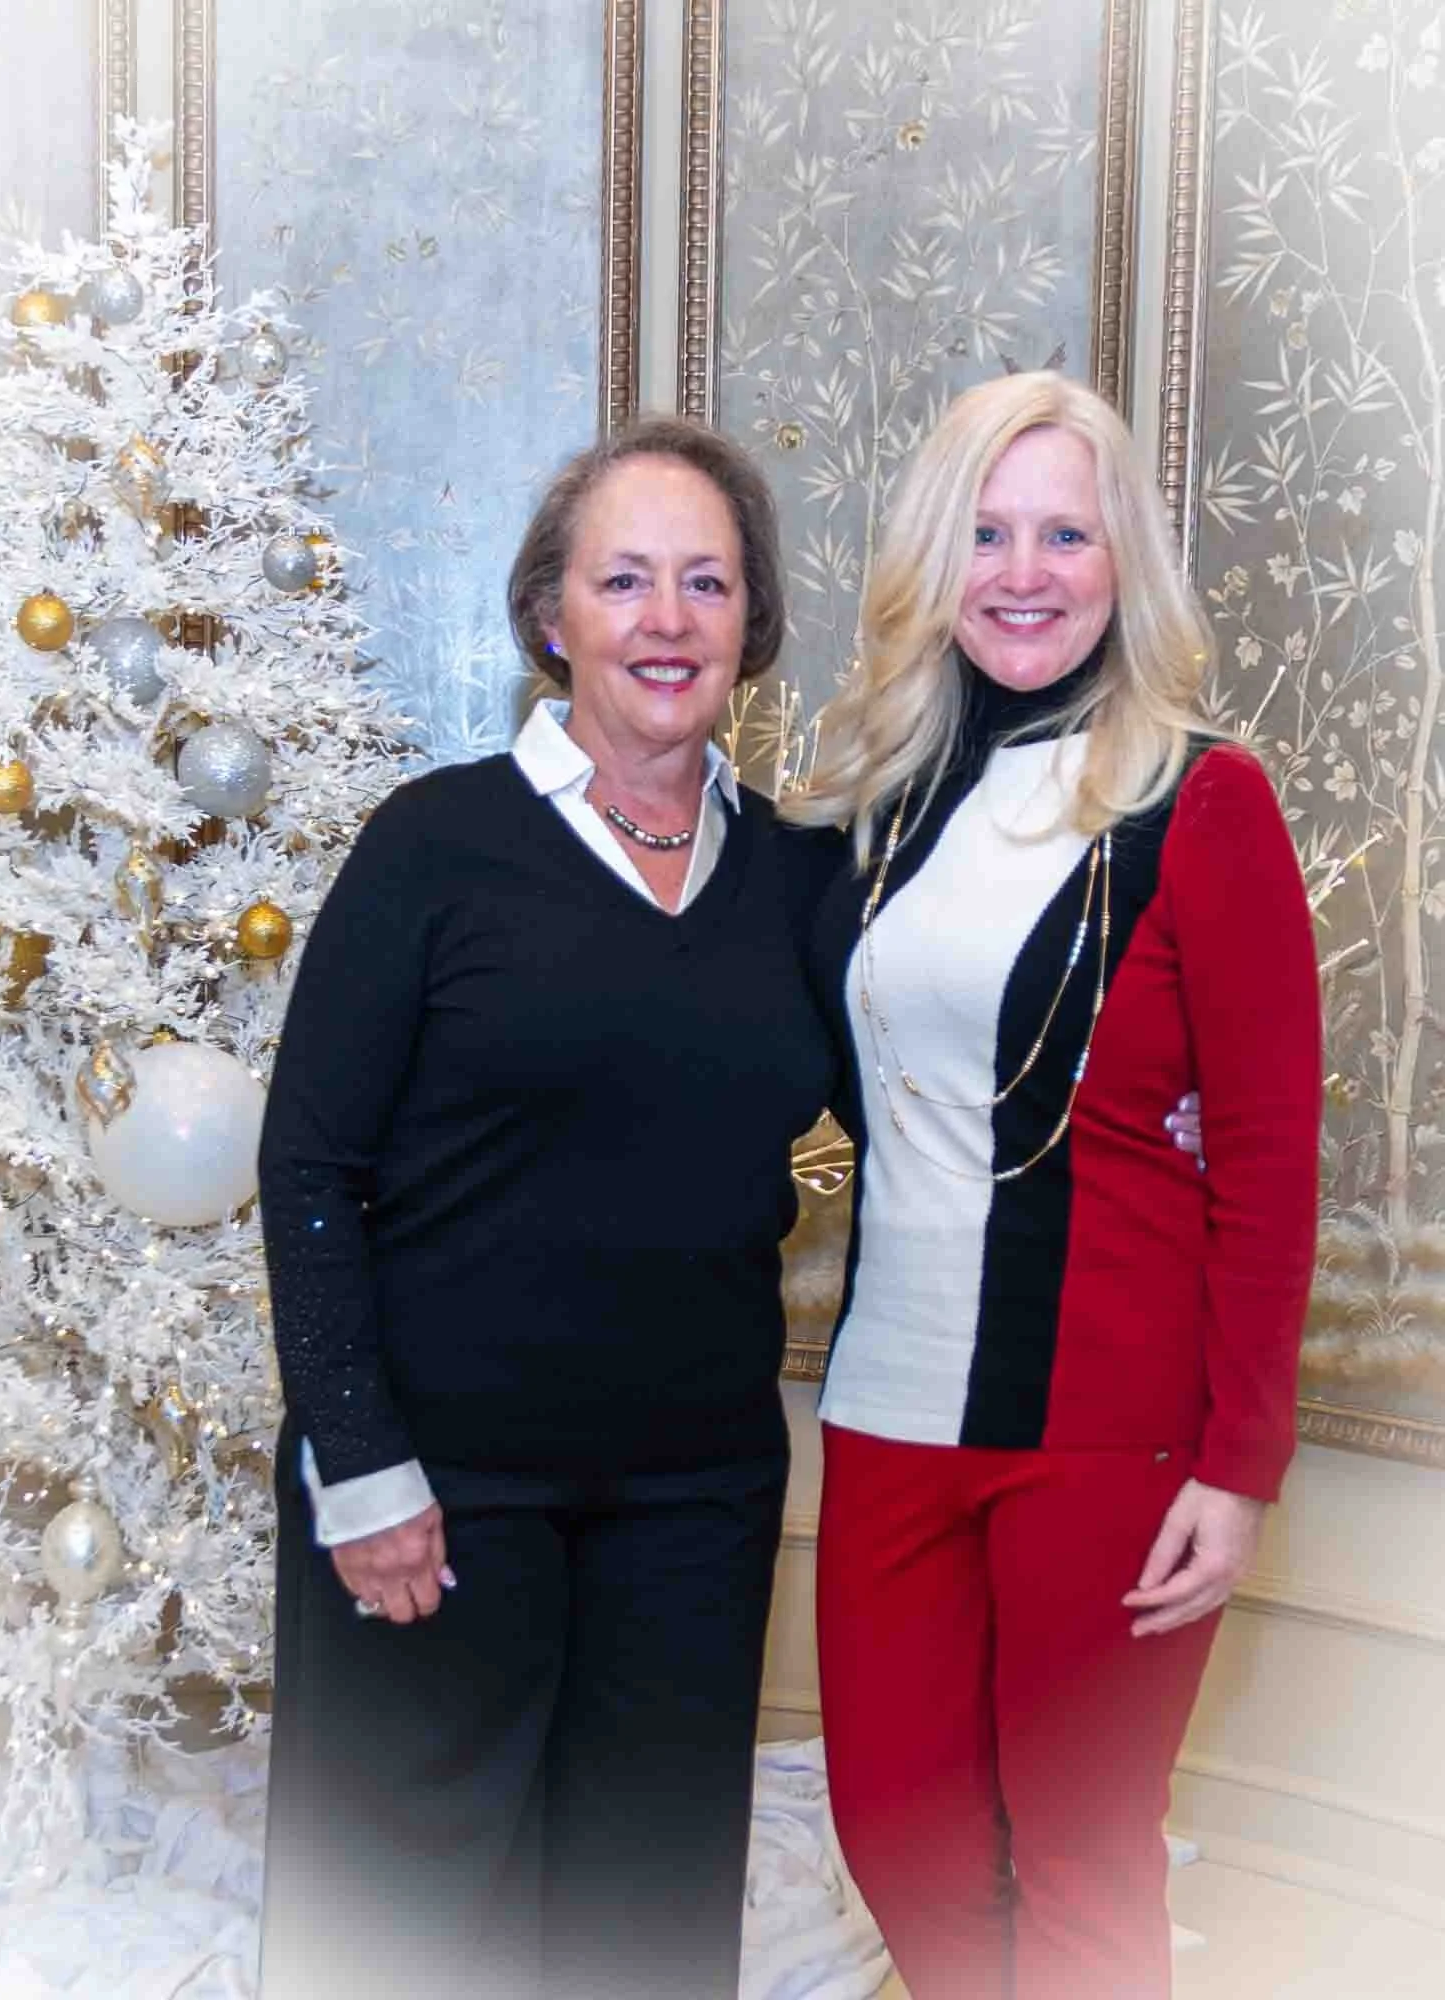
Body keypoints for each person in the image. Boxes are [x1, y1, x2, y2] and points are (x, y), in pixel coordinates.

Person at [254, 416, 841, 2000]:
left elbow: (932, 1092)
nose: (668, 620)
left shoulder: (798, 879)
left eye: (707, 583)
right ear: (550, 617)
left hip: (694, 1504)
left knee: (641, 1936)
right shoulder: (432, 849)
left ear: (752, 626)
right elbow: (310, 1164)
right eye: (626, 579)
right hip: (442, 1493)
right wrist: (358, 1461)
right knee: (413, 1932)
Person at [789, 371, 1321, 2000]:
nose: (1024, 571)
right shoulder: (873, 814)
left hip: (1110, 1425)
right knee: (898, 1830)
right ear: (935, 565)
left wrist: (1238, 1468)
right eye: (988, 533)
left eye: (1065, 534)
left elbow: (1272, 1153)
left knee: (1081, 1857)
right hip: (888, 1414)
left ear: (1122, 564)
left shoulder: (1199, 797)